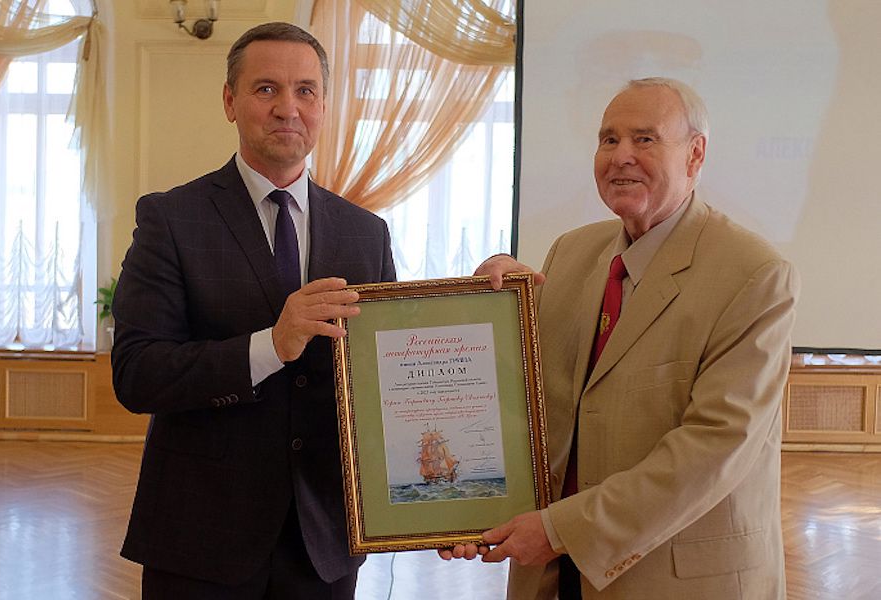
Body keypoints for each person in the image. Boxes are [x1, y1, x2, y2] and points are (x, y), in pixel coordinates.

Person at [444, 78, 799, 599]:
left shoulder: (755, 274)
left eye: (645, 139)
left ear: (695, 155)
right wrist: (498, 305)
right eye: (608, 139)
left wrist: (560, 530)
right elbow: (527, 397)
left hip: (672, 581)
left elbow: (715, 448)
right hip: (553, 576)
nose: (620, 156)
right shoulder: (570, 253)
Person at [111, 22, 395, 599]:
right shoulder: (171, 219)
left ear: (323, 106)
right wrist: (272, 345)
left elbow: (384, 380)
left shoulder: (367, 233)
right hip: (201, 537)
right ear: (229, 101)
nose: (288, 107)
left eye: (306, 90)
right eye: (267, 89)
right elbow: (137, 374)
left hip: (325, 544)